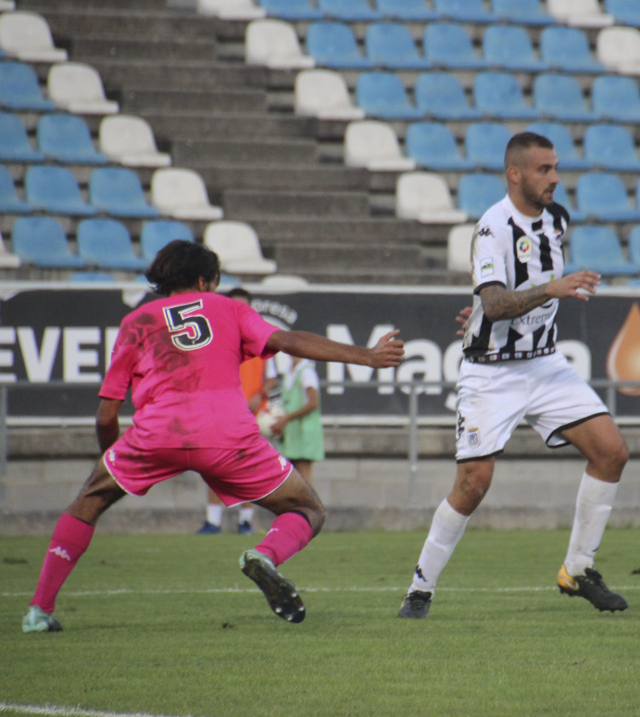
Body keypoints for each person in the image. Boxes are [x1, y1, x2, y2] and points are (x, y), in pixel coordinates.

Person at [22, 240, 404, 631]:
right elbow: (287, 341)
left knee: (88, 501)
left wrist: (111, 461)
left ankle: (39, 610)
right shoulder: (231, 308)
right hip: (228, 434)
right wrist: (366, 356)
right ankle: (265, 555)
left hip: (157, 433)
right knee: (307, 509)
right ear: (204, 280)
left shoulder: (135, 322)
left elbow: (106, 414)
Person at [398, 132, 630, 619]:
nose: (555, 178)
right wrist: (551, 289)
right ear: (515, 173)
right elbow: (496, 302)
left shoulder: (557, 220)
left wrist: (515, 305)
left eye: (556, 167)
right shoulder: (492, 228)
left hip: (544, 364)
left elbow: (506, 301)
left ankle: (578, 569)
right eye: (544, 170)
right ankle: (420, 588)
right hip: (491, 374)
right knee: (473, 485)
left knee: (611, 452)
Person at [195, 287, 275, 535]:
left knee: (248, 468)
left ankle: (246, 521)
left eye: (244, 306)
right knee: (213, 466)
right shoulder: (214, 339)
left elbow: (271, 379)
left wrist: (258, 395)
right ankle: (214, 520)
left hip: (250, 415)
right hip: (220, 413)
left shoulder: (261, 341)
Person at [270, 355, 324, 485]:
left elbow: (313, 403)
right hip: (291, 432)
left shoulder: (306, 372)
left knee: (304, 476)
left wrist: (287, 418)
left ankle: (306, 505)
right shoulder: (289, 371)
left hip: (304, 431)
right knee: (291, 476)